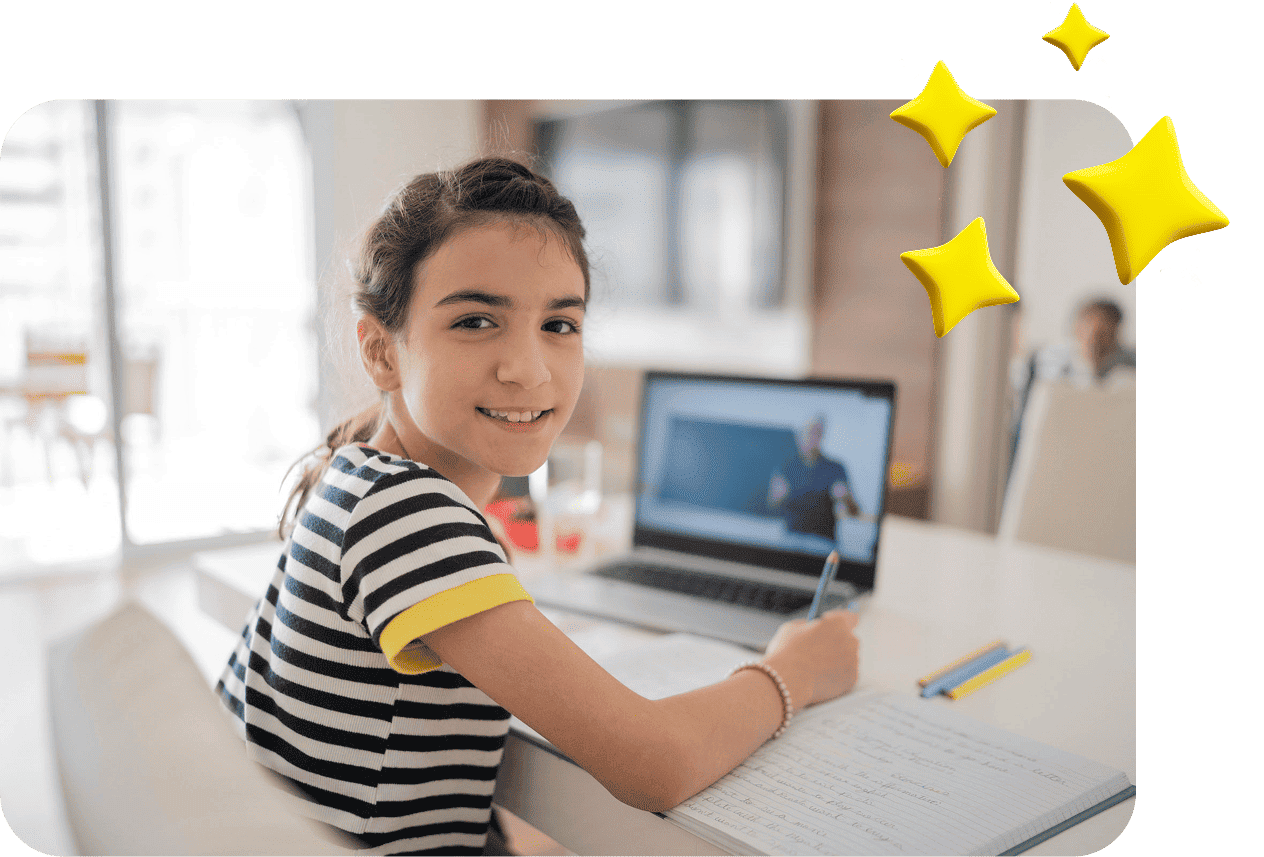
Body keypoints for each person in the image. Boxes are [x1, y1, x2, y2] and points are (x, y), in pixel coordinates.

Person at [214, 157, 860, 857]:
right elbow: (655, 764)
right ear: (382, 352)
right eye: (476, 319)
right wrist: (794, 669)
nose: (529, 368)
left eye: (559, 324)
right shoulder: (407, 517)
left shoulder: (357, 478)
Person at [1007, 298, 1137, 482]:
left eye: (1104, 334)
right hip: (1053, 459)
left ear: (1117, 334)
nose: (1095, 343)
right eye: (1089, 331)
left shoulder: (1131, 370)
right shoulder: (1043, 363)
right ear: (1076, 329)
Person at [766, 414, 861, 541]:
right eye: (809, 432)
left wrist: (846, 498)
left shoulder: (835, 468)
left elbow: (855, 512)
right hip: (791, 538)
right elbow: (770, 505)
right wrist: (777, 496)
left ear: (822, 436)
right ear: (800, 435)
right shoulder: (786, 466)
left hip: (823, 541)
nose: (812, 437)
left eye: (817, 433)